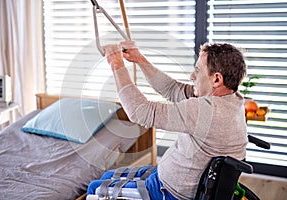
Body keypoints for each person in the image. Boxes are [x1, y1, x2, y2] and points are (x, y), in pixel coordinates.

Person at [88, 41, 248, 199]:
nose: (192, 76)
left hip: (167, 191)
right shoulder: (232, 101)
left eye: (198, 71)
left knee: (95, 188)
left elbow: (140, 112)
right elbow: (172, 89)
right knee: (108, 175)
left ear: (217, 80)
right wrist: (139, 59)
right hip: (167, 177)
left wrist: (117, 64)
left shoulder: (206, 111)